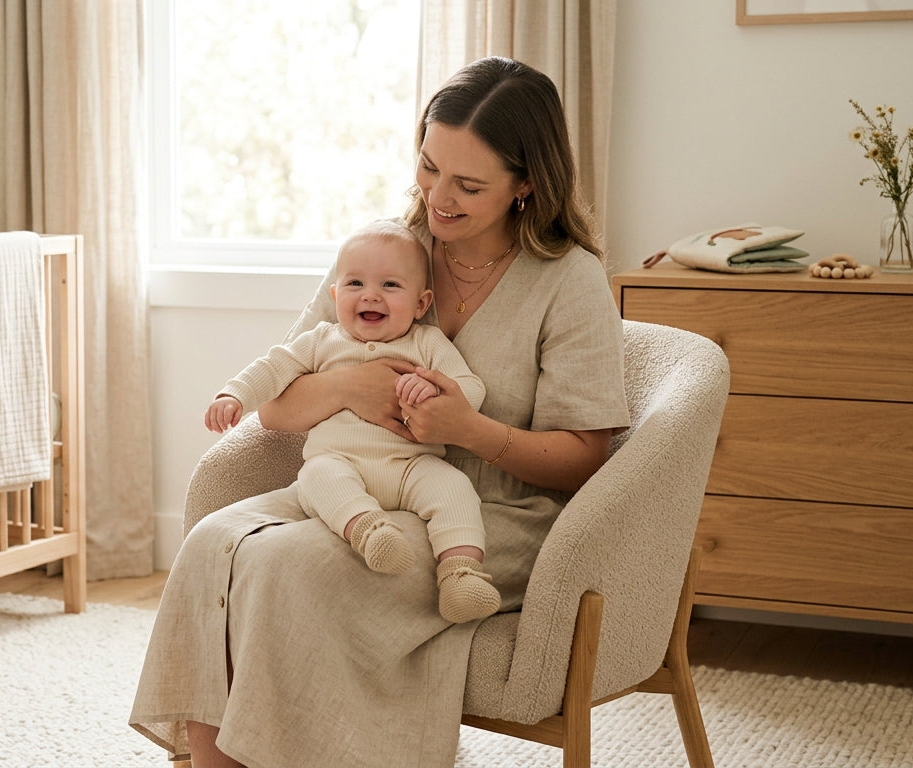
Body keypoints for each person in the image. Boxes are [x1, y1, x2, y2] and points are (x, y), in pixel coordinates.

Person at [131, 56, 629, 768]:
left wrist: (469, 430)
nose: (438, 197)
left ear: (525, 184)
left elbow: (585, 457)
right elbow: (279, 401)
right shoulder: (387, 250)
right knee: (214, 542)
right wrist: (349, 388)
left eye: (468, 185)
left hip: (486, 517)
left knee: (287, 566)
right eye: (428, 167)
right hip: (353, 486)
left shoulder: (568, 279)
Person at [205, 219, 500, 624]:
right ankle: (369, 531)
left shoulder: (427, 344)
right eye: (355, 284)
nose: (371, 295)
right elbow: (274, 368)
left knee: (455, 488)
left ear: (421, 304)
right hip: (340, 462)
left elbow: (472, 388)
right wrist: (235, 394)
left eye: (390, 285)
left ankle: (460, 574)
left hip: (412, 465)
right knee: (316, 476)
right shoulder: (322, 340)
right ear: (335, 294)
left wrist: (434, 389)